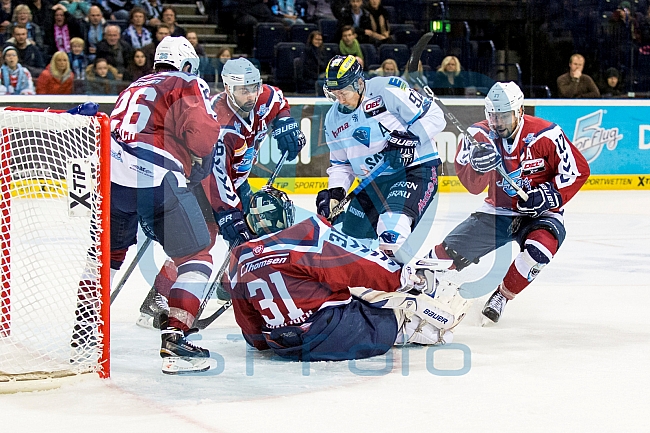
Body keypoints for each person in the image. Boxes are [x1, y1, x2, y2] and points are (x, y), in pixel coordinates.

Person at [136, 57, 306, 328]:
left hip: (237, 180)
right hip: (201, 183)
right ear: (228, 88)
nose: (250, 95)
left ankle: (229, 286)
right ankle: (157, 297)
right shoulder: (218, 121)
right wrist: (229, 214)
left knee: (251, 235)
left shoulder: (263, 96)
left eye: (254, 87)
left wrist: (286, 122)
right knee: (201, 242)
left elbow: (277, 100)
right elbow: (216, 177)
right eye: (243, 90)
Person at [222, 187, 468, 361]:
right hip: (333, 333)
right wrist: (401, 277)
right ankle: (414, 325)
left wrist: (263, 341)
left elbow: (250, 325)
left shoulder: (239, 258)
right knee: (375, 300)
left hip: (283, 346)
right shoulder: (304, 234)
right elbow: (355, 264)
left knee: (337, 290)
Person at [425, 82, 590, 324]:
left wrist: (546, 194)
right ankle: (411, 283)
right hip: (497, 210)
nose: (498, 123)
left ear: (519, 111)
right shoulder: (477, 137)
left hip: (540, 214)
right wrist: (476, 167)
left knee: (540, 251)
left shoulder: (546, 134)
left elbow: (577, 170)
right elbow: (473, 186)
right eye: (493, 116)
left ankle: (502, 296)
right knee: (442, 256)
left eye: (504, 116)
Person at [104, 36, 221, 373]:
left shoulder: (135, 85)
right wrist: (202, 161)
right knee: (197, 255)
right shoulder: (187, 81)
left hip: (112, 178)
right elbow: (202, 135)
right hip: (156, 179)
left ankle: (84, 333)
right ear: (186, 64)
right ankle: (175, 340)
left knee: (107, 256)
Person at [318, 55, 446, 263]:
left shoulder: (387, 89)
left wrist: (409, 138)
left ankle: (417, 280)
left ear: (359, 83)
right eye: (334, 94)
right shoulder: (333, 119)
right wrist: (335, 192)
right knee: (347, 246)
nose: (340, 99)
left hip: (413, 170)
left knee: (390, 238)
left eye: (343, 92)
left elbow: (435, 116)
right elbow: (341, 165)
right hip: (372, 182)